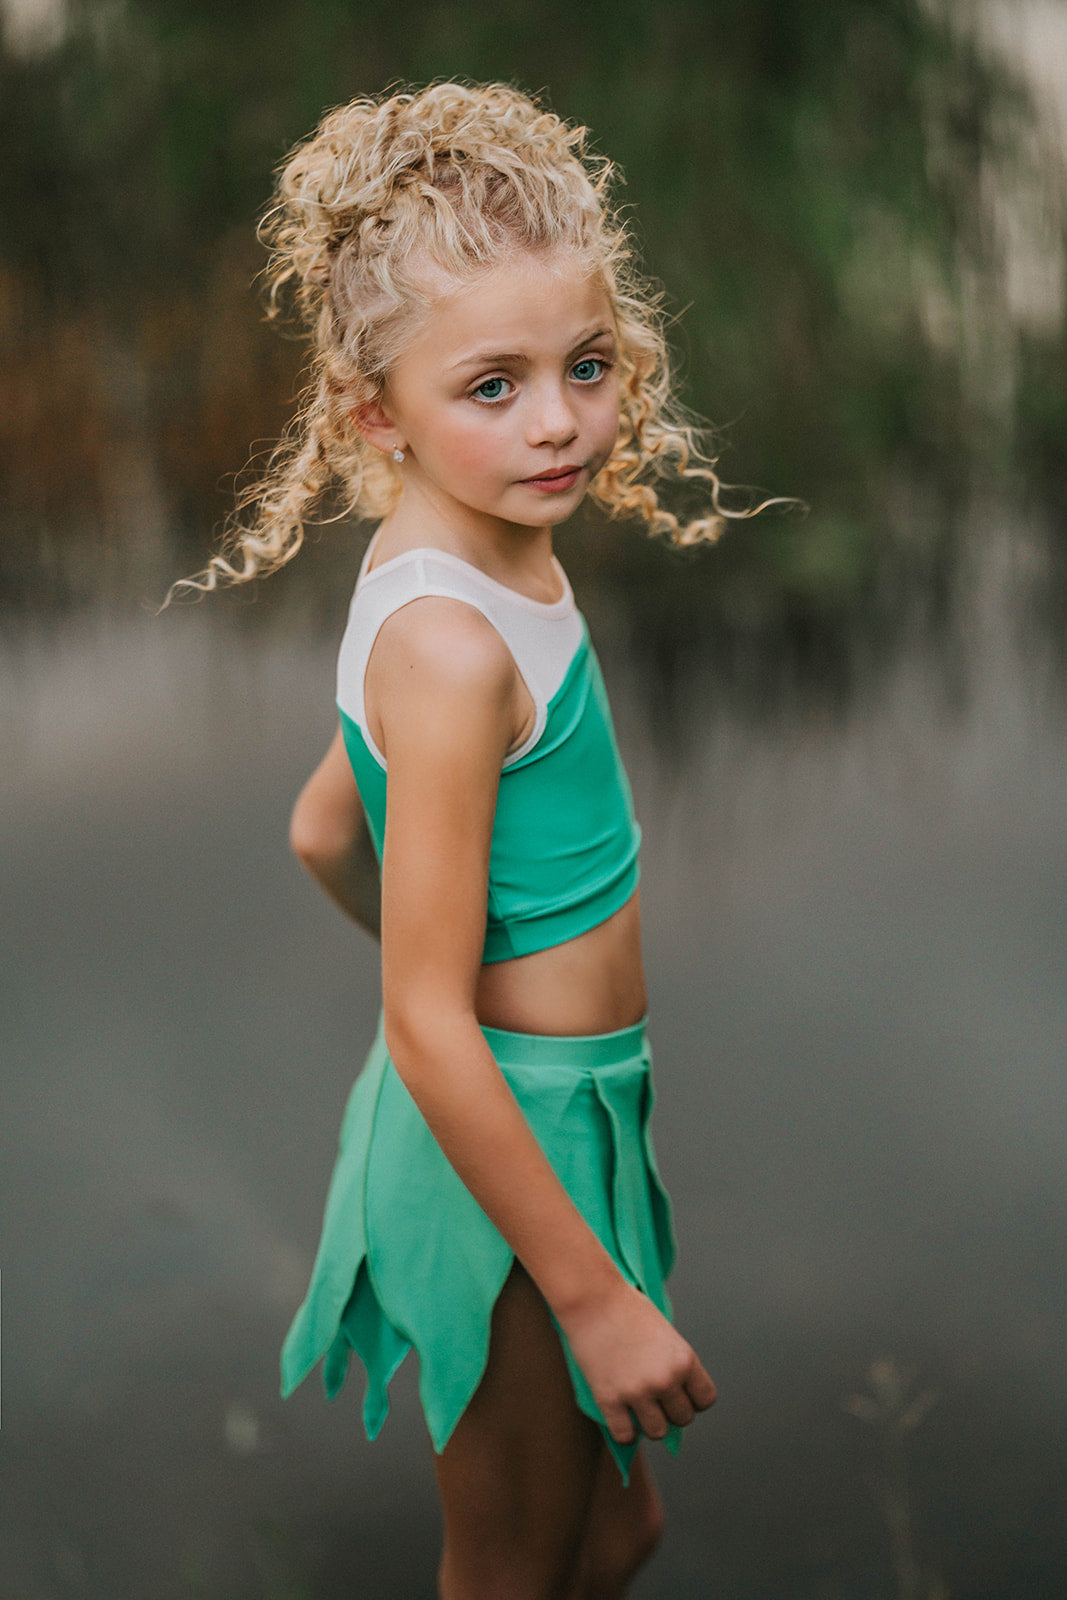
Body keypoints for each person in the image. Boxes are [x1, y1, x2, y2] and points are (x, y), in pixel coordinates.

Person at [171, 80, 773, 1600]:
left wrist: (499, 969)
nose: (561, 419)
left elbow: (326, 825)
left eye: (585, 365)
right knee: (507, 1574)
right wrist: (595, 1299)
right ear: (375, 411)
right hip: (507, 1138)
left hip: (562, 1102)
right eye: (491, 387)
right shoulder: (449, 645)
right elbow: (424, 1023)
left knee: (616, 1531)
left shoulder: (457, 551)